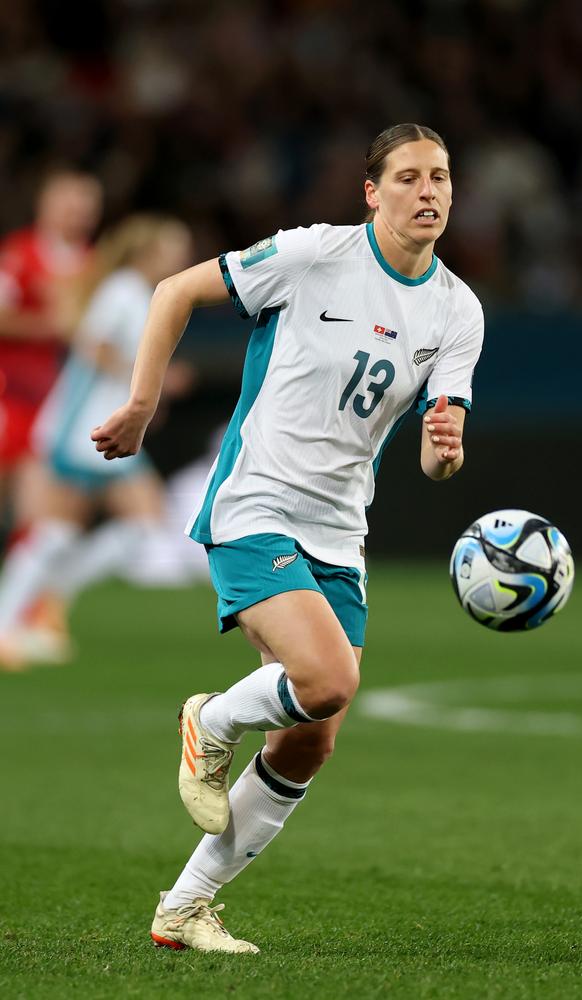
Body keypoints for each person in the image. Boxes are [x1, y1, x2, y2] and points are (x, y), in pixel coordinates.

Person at [92, 123, 484, 955]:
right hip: (256, 502)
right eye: (409, 177)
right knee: (327, 676)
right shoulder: (313, 256)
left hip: (342, 528)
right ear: (371, 192)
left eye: (441, 177)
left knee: (312, 735)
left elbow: (433, 456)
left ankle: (184, 906)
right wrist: (142, 404)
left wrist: (443, 452)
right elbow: (171, 292)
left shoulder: (458, 310)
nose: (429, 192)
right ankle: (211, 720)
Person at [0, 215, 192, 670]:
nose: (182, 257)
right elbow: (96, 347)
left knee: (64, 532)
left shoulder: (135, 292)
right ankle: (27, 612)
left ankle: (39, 605)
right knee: (123, 524)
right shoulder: (124, 291)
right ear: (149, 252)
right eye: (174, 248)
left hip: (98, 427)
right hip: (83, 427)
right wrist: (147, 389)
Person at [0, 170, 103, 537]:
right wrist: (53, 324)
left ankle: (30, 591)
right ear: (45, 205)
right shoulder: (20, 253)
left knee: (46, 515)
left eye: (85, 206)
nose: (77, 213)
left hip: (62, 402)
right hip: (11, 394)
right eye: (69, 204)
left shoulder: (96, 265)